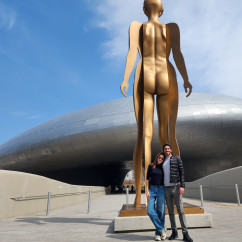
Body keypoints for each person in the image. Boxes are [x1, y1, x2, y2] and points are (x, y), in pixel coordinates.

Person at [120, 0, 192, 207]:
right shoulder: (157, 27)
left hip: (150, 73)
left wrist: (126, 78)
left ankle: (149, 194)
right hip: (160, 72)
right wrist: (185, 78)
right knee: (159, 134)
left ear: (146, 9)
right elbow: (174, 53)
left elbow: (135, 53)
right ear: (161, 9)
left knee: (153, 134)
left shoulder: (146, 26)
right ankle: (150, 193)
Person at [163, 144, 193, 242]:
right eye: (165, 149)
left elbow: (182, 172)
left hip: (176, 186)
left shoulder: (176, 158)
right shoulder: (162, 160)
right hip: (166, 188)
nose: (167, 150)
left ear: (171, 150)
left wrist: (182, 186)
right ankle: (174, 232)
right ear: (163, 150)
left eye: (168, 148)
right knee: (171, 212)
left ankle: (185, 233)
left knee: (180, 210)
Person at [146, 152, 166, 241]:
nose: (160, 159)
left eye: (162, 158)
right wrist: (147, 191)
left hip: (161, 189)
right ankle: (162, 229)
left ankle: (158, 234)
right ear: (156, 157)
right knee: (150, 211)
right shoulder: (151, 166)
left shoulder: (164, 167)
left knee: (161, 211)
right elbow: (147, 179)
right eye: (159, 157)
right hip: (152, 190)